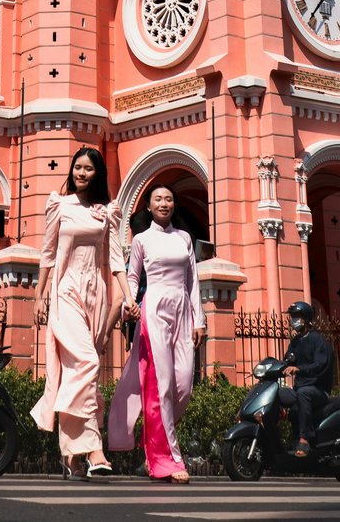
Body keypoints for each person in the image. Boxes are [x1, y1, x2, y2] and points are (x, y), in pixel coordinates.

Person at [30, 147, 136, 480]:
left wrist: (129, 297)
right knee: (88, 363)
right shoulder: (59, 205)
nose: (81, 173)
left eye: (88, 169)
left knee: (79, 370)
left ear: (98, 173)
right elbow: (47, 254)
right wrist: (39, 296)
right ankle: (95, 450)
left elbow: (117, 260)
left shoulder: (108, 212)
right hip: (66, 292)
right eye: (77, 167)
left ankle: (71, 454)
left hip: (96, 295)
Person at [108, 185, 206, 483]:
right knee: (161, 385)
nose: (164, 203)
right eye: (158, 200)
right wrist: (130, 305)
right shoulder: (141, 240)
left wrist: (198, 319)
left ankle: (153, 435)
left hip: (181, 311)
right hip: (154, 311)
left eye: (169, 199)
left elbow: (192, 281)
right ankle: (169, 459)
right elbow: (133, 277)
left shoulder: (184, 238)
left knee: (184, 386)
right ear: (148, 207)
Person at [278, 300, 335, 457]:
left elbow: (320, 365)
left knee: (303, 393)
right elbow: (288, 360)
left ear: (306, 319)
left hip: (318, 390)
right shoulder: (296, 341)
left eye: (296, 317)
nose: (293, 320)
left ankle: (305, 439)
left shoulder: (318, 341)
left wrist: (299, 369)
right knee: (277, 393)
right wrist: (278, 367)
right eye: (292, 317)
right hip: (300, 388)